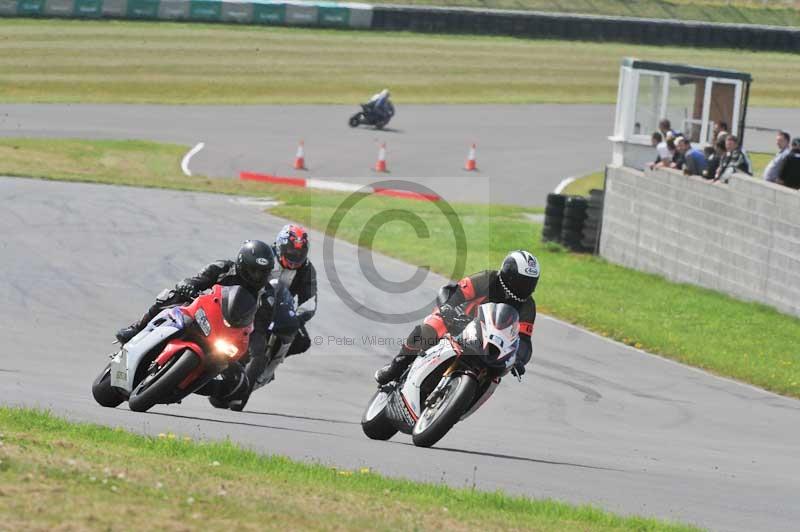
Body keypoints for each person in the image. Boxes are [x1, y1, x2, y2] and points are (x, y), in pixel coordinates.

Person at [115, 240, 277, 407]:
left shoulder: (267, 296)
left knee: (238, 383)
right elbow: (195, 281)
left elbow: (260, 329)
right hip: (199, 313)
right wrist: (188, 287)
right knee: (171, 295)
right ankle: (137, 327)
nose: (257, 276)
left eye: (262, 272)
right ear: (242, 263)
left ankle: (181, 385)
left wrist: (255, 347)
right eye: (253, 270)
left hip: (225, 336)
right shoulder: (223, 268)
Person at [374, 250, 540, 385]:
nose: (525, 287)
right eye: (521, 281)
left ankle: (463, 399)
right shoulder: (488, 279)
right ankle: (396, 366)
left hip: (489, 343)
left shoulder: (528, 306)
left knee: (494, 375)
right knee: (429, 330)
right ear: (508, 274)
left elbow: (524, 340)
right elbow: (456, 292)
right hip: (458, 323)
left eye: (530, 283)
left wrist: (519, 360)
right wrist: (448, 308)